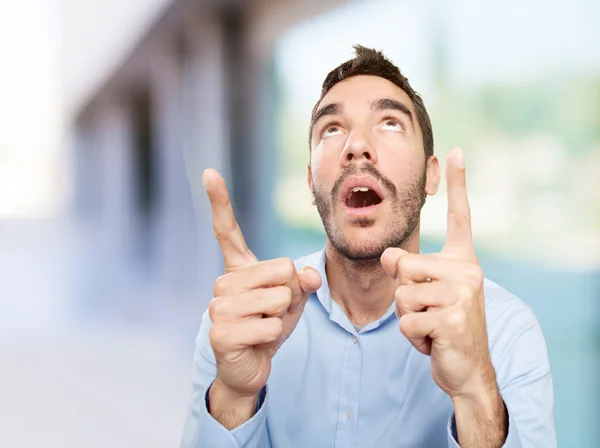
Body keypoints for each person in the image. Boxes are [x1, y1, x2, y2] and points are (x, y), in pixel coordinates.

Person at [180, 45, 556, 448]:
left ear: (432, 176)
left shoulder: (505, 330)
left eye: (390, 122)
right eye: (333, 128)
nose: (356, 145)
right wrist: (234, 399)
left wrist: (474, 393)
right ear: (311, 184)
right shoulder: (244, 321)